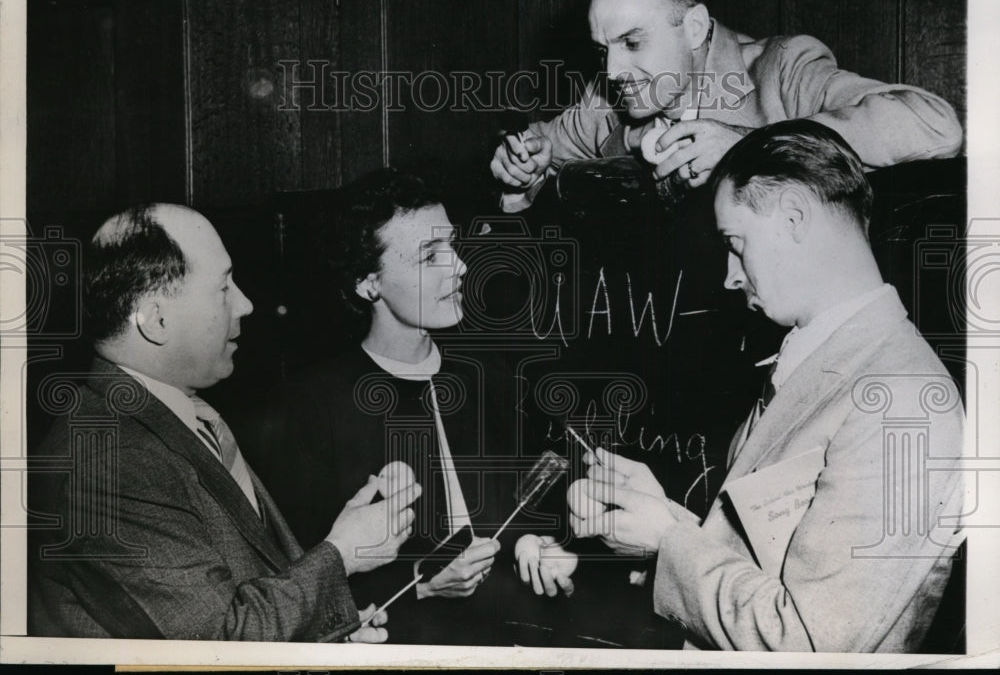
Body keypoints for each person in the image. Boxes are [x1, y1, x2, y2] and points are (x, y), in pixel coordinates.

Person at [566, 120, 965, 651]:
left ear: (794, 217)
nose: (731, 275)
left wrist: (668, 540)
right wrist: (662, 517)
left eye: (737, 243)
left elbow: (809, 643)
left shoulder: (902, 401)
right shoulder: (823, 359)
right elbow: (765, 560)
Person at [28, 203, 420, 642]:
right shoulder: (107, 464)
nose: (246, 304)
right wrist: (341, 552)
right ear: (156, 320)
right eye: (223, 287)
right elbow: (221, 644)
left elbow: (241, 586)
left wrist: (330, 634)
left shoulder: (183, 419)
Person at [254, 169, 531, 646]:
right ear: (368, 284)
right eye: (430, 256)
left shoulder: (492, 378)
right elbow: (301, 577)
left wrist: (535, 545)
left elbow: (520, 511)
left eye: (452, 246)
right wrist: (422, 590)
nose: (459, 267)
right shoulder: (309, 406)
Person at [490, 0, 963, 213]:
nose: (612, 71)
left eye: (632, 43)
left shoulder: (783, 68)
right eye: (603, 49)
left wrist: (751, 146)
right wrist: (524, 167)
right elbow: (540, 151)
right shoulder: (609, 100)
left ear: (694, 27)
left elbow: (935, 125)